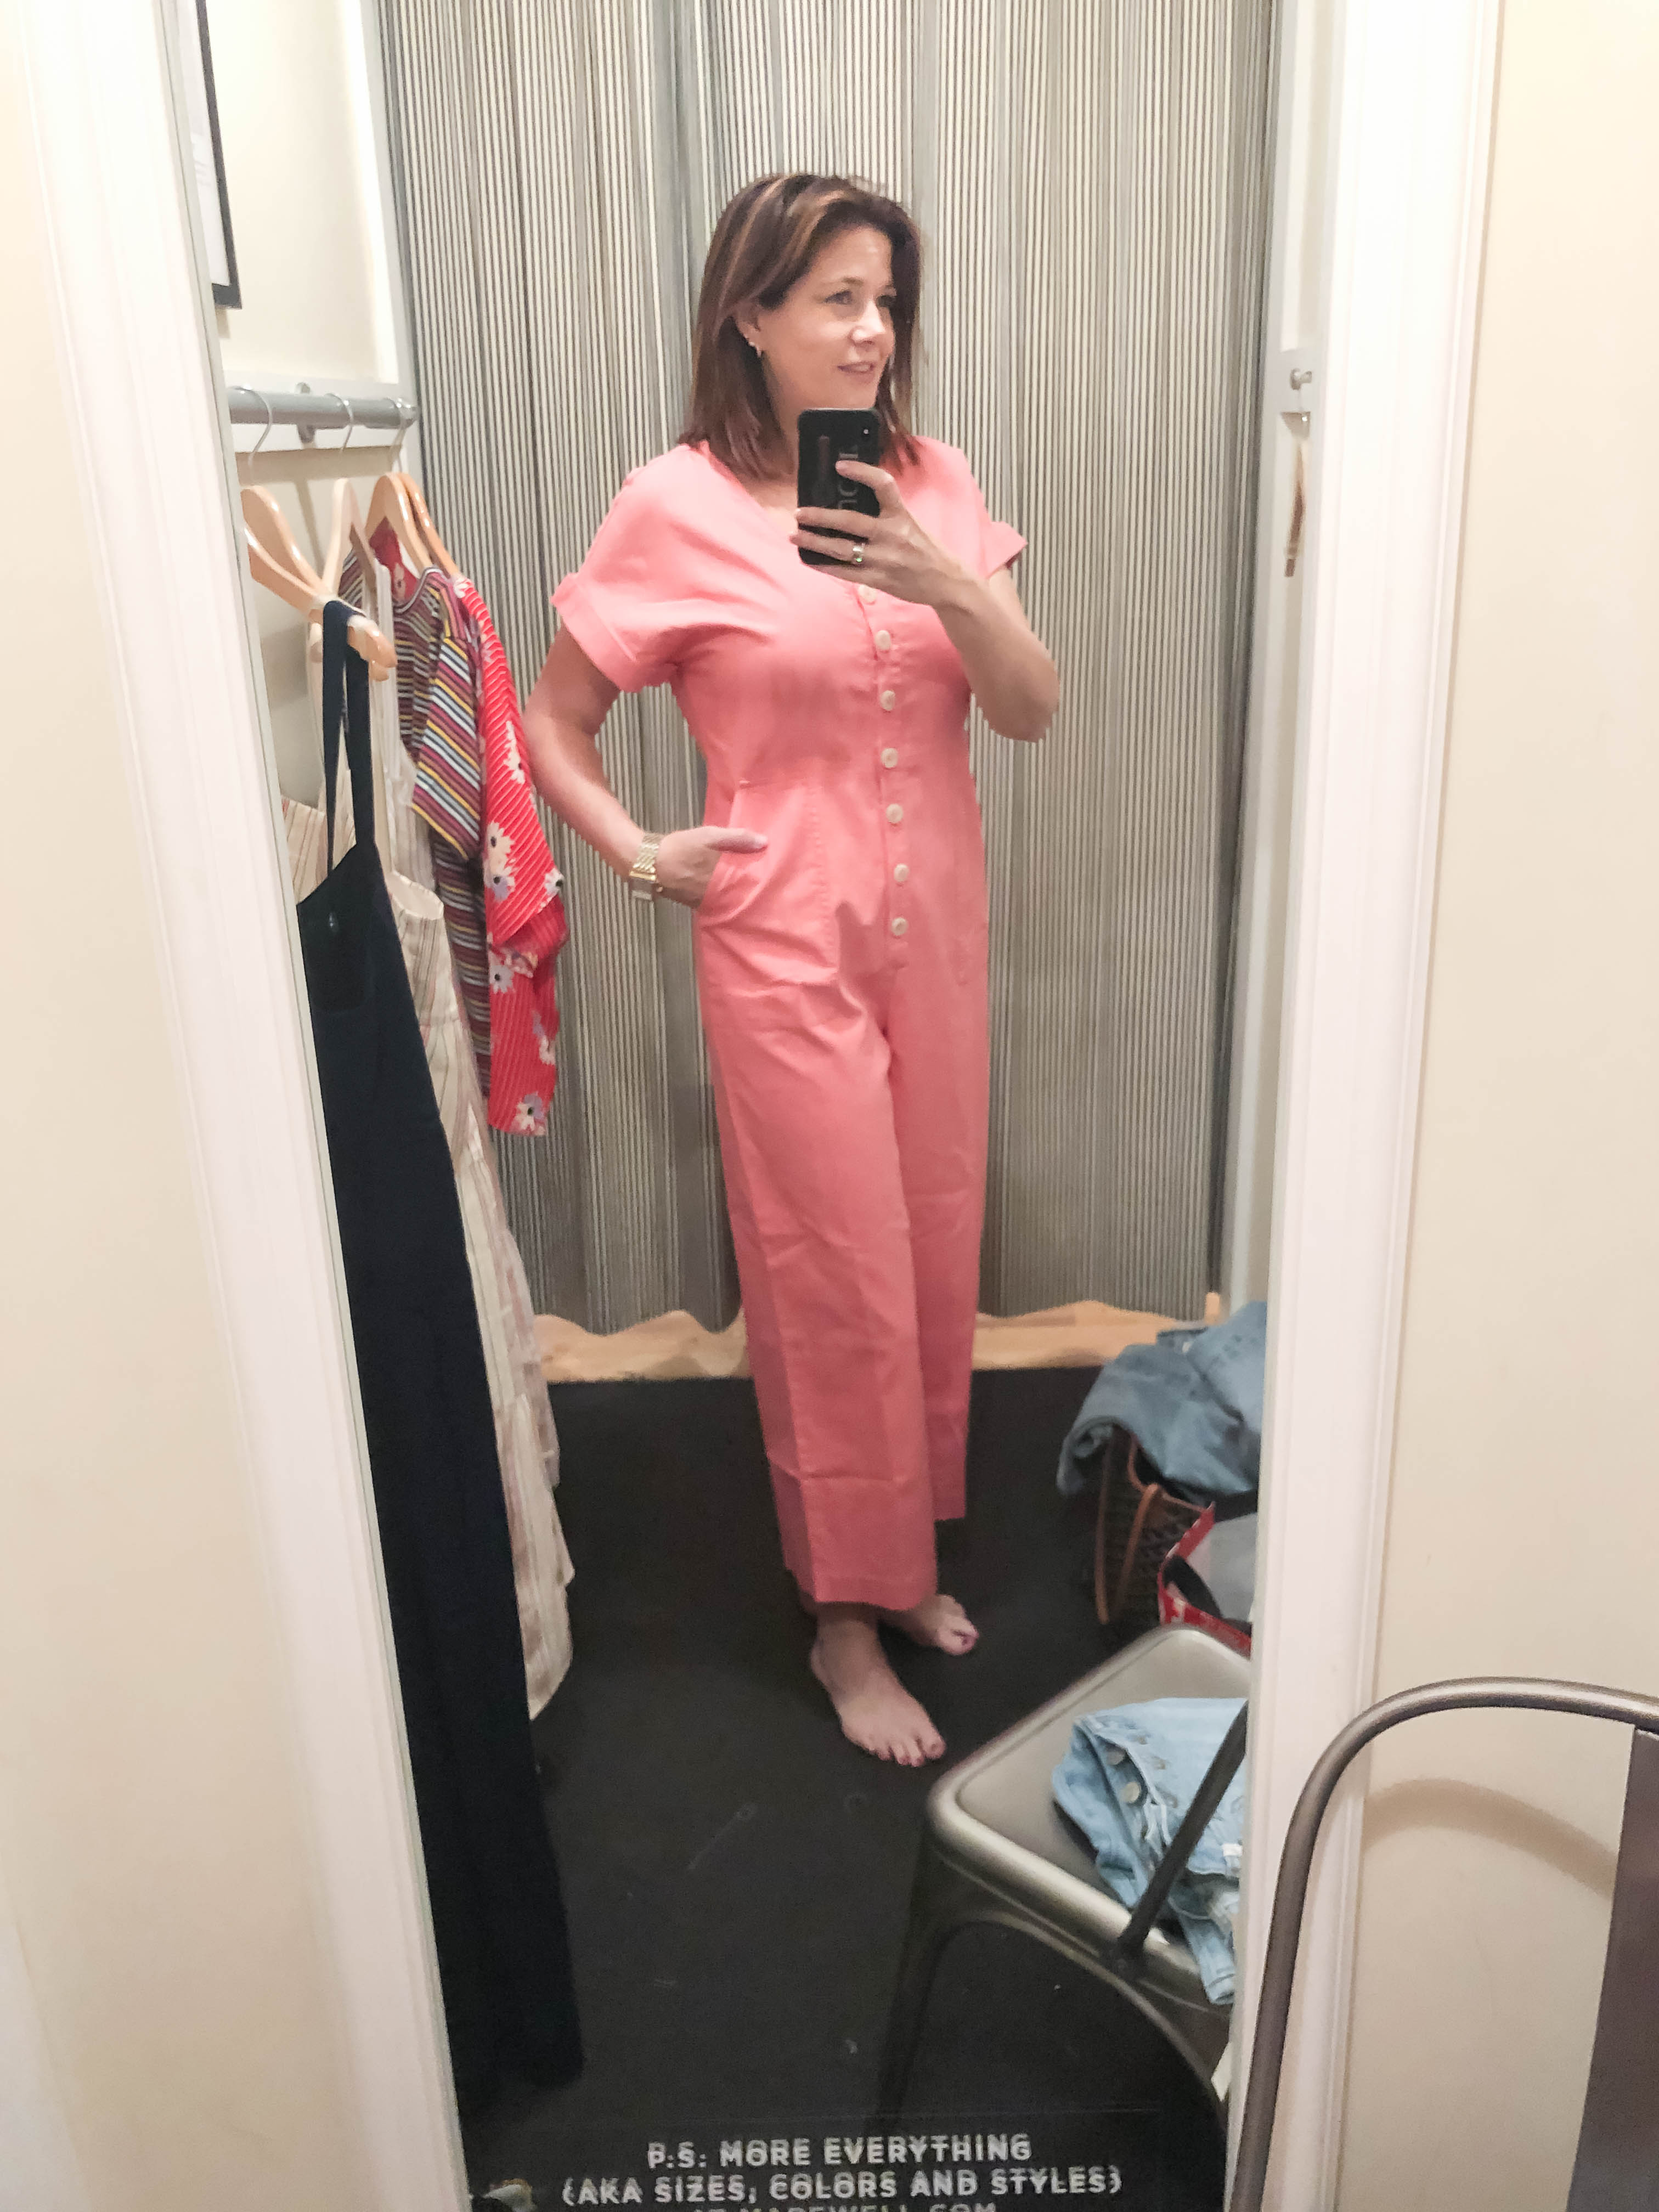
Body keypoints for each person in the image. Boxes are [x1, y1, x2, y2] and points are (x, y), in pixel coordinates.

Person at [522, 172, 1058, 1765]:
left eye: (888, 300)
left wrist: (940, 574)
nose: (873, 330)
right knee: (833, 1272)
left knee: (933, 1245)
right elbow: (553, 719)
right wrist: (638, 852)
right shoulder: (669, 505)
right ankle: (842, 1619)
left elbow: (1030, 707)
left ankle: (904, 1562)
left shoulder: (933, 480)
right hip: (778, 937)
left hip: (934, 932)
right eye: (836, 298)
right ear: (750, 316)